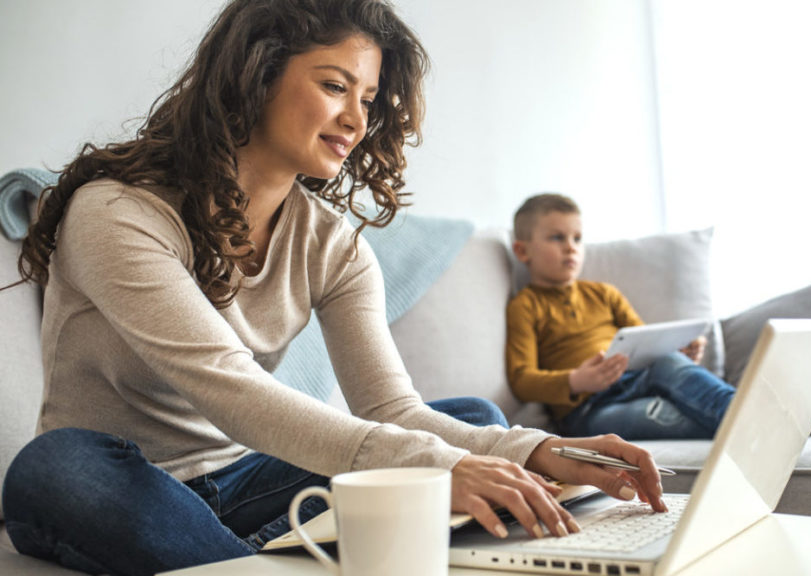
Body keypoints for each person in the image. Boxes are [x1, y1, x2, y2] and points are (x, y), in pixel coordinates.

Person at [0, 2, 667, 575]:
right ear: (256, 76)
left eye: (368, 100)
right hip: (113, 478)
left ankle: (249, 554)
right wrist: (439, 470)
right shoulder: (117, 213)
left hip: (245, 478)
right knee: (58, 466)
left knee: (475, 424)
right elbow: (230, 387)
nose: (355, 118)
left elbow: (395, 412)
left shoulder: (333, 244)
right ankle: (272, 553)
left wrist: (547, 449)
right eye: (334, 86)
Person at [506, 193, 811, 439]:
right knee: (669, 416)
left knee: (669, 362)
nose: (571, 247)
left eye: (577, 238)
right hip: (587, 411)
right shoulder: (525, 306)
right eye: (557, 238)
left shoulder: (603, 293)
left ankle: (768, 415)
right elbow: (521, 379)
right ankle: (784, 418)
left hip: (639, 379)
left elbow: (645, 343)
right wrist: (575, 382)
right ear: (522, 250)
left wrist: (676, 351)